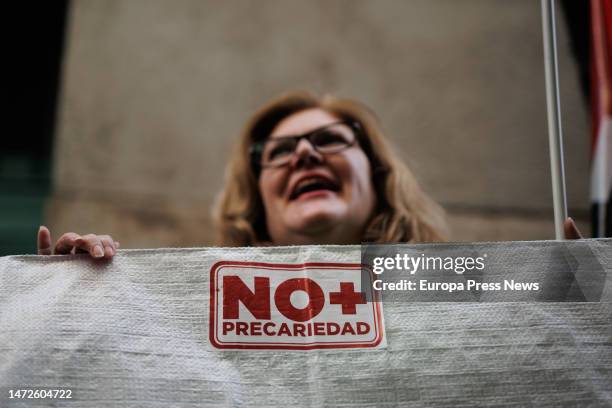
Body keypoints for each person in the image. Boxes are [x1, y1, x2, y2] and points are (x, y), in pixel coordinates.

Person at [36, 91, 583, 257]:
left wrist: (576, 301)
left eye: (327, 141)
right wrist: (71, 311)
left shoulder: (470, 296)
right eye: (280, 150)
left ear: (378, 176)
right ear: (257, 203)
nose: (303, 154)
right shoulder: (186, 317)